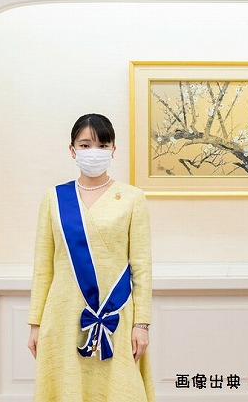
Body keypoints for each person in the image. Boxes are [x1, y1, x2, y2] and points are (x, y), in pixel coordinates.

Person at [27, 113, 155, 401]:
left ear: (113, 149)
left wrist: (142, 324)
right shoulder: (54, 198)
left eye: (102, 145)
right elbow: (43, 267)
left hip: (117, 314)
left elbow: (142, 267)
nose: (93, 151)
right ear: (72, 150)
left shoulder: (132, 198)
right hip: (62, 314)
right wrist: (36, 324)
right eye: (85, 145)